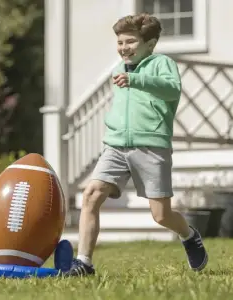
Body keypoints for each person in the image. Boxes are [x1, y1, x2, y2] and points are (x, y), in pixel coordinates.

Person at [64, 13, 208, 277]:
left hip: (151, 145)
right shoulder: (119, 70)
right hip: (117, 145)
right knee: (91, 194)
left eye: (130, 42)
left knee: (161, 215)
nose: (123, 48)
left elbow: (172, 90)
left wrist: (136, 80)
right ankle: (83, 262)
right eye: (120, 42)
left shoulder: (162, 63)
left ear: (150, 44)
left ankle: (188, 236)